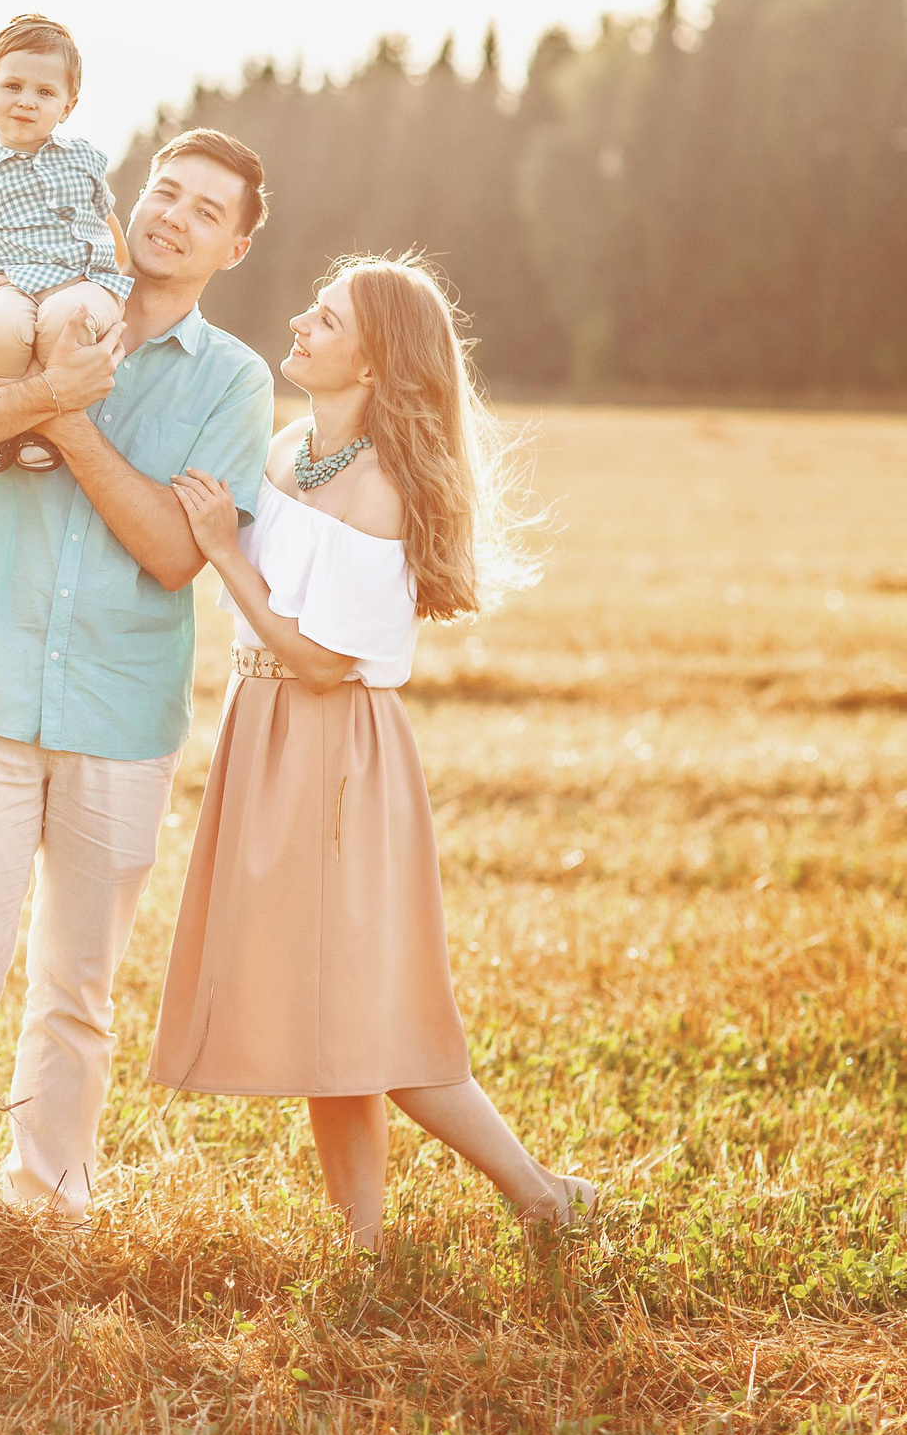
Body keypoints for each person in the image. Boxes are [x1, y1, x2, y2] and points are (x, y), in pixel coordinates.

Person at [148, 254, 596, 1247]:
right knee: (327, 1025)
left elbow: (315, 663)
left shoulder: (378, 494)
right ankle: (364, 1252)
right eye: (312, 309)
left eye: (328, 320)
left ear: (377, 368)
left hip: (334, 754)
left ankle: (542, 1198)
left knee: (366, 1014)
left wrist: (223, 547)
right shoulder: (287, 450)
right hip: (262, 738)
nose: (301, 324)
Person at [0, 128, 275, 1223]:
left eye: (205, 211)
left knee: (75, 993)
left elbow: (170, 551)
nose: (172, 215)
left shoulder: (235, 384)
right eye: (164, 191)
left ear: (232, 249)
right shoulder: (18, 309)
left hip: (120, 715)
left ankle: (47, 1210)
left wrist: (66, 415)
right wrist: (28, 390)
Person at [0, 15, 132, 476]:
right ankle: (7, 426)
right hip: (12, 287)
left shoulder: (83, 158)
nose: (26, 101)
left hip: (83, 282)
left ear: (68, 106)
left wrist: (121, 280)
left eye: (45, 93)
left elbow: (108, 222)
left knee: (65, 320)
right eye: (13, 86)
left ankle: (48, 429)